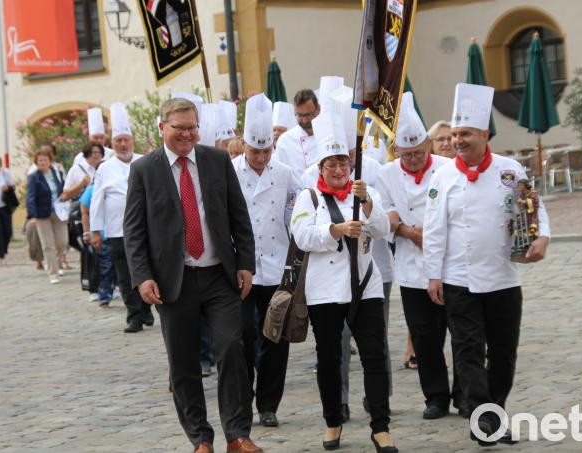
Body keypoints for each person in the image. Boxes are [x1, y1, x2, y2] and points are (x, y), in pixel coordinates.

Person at [123, 98, 262, 453]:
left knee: (231, 346)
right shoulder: (144, 170)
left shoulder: (216, 161)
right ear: (162, 128)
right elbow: (134, 231)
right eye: (179, 128)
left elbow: (238, 214)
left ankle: (238, 434)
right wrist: (142, 277)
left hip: (219, 275)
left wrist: (245, 262)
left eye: (192, 127)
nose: (187, 134)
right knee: (183, 362)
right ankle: (201, 438)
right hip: (173, 280)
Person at [423, 83, 551, 446]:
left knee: (504, 354)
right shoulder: (444, 176)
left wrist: (542, 239)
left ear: (484, 134)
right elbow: (434, 229)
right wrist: (433, 274)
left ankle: (494, 411)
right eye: (455, 134)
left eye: (466, 134)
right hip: (459, 278)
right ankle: (486, 421)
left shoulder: (511, 170)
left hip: (504, 277)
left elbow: (535, 209)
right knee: (468, 353)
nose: (459, 140)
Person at [290, 100, 398, 452]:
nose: (338, 169)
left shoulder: (365, 192)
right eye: (331, 163)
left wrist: (367, 203)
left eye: (343, 163)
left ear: (351, 164)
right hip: (325, 291)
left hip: (365, 285)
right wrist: (335, 229)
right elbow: (302, 235)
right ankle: (333, 421)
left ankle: (380, 426)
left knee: (374, 355)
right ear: (321, 166)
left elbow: (382, 229)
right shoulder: (309, 196)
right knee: (330, 359)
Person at [376, 92, 462, 420]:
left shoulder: (447, 168)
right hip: (412, 270)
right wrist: (413, 234)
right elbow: (387, 218)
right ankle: (436, 397)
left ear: (428, 144)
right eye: (406, 154)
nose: (413, 159)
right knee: (425, 339)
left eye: (418, 152)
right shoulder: (386, 175)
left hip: (451, 266)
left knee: (460, 334)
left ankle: (464, 393)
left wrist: (432, 236)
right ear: (397, 151)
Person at [232, 93, 300, 428]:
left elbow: (297, 216)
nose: (260, 157)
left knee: (276, 337)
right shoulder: (229, 172)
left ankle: (269, 403)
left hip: (276, 267)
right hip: (241, 268)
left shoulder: (286, 173)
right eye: (254, 150)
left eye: (266, 150)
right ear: (243, 144)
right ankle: (244, 397)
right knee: (242, 335)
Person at [90, 102, 154, 333]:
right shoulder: (105, 168)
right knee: (125, 276)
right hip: (117, 231)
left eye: (126, 139)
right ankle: (134, 316)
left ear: (132, 140)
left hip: (147, 229)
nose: (123, 144)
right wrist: (95, 230)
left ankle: (146, 309)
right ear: (112, 144)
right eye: (118, 141)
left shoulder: (145, 162)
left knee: (146, 272)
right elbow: (97, 200)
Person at [79, 144, 117, 308]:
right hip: (103, 235)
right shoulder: (92, 189)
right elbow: (85, 211)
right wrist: (88, 232)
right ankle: (104, 296)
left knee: (119, 266)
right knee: (106, 267)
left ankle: (118, 289)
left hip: (120, 233)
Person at [65, 142, 104, 302]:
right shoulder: (76, 169)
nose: (97, 154)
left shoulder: (106, 166)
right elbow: (65, 194)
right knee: (89, 253)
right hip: (83, 216)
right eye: (94, 151)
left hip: (104, 217)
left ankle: (108, 285)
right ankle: (92, 287)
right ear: (87, 153)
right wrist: (82, 184)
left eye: (99, 151)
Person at [27, 147, 67, 284]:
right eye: (39, 160)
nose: (42, 162)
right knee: (48, 244)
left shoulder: (57, 173)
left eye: (45, 160)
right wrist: (32, 216)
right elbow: (30, 197)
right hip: (41, 214)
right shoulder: (33, 177)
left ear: (50, 161)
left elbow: (63, 189)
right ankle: (53, 273)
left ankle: (55, 262)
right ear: (36, 162)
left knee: (63, 242)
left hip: (59, 212)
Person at [271, 88, 321, 182]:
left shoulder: (327, 136)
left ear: (318, 109)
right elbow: (279, 174)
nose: (305, 120)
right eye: (300, 115)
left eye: (308, 115)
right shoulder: (285, 141)